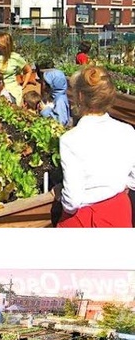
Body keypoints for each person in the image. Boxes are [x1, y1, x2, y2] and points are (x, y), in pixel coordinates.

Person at [57, 66, 135, 227]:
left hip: (86, 218)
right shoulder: (127, 131)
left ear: (79, 96)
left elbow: (72, 201)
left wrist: (60, 197)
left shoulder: (70, 139)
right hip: (119, 211)